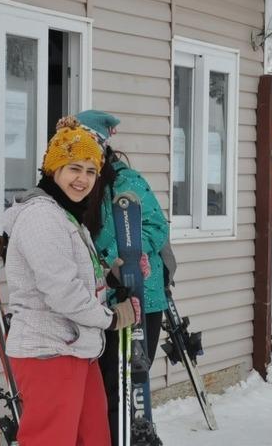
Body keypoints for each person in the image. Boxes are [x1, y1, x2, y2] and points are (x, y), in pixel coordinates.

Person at [3, 118, 140, 445]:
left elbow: (75, 275)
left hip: (77, 348)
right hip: (48, 351)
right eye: (74, 168)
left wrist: (110, 273)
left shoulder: (66, 214)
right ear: (54, 170)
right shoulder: (41, 217)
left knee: (92, 436)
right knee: (52, 439)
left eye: (91, 171)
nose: (83, 179)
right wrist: (111, 318)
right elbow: (63, 293)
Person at [78, 110, 169, 444]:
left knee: (127, 389)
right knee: (103, 389)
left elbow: (156, 228)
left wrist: (116, 258)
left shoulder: (125, 182)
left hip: (140, 297)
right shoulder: (79, 183)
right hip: (101, 304)